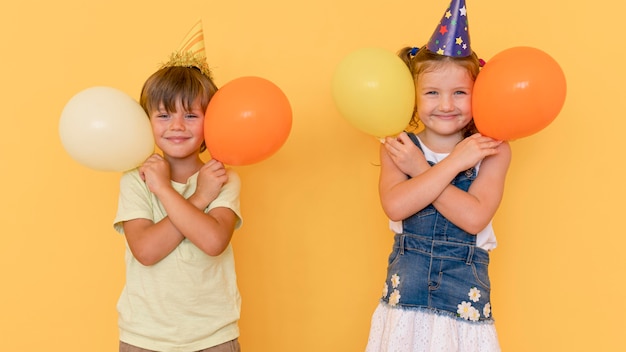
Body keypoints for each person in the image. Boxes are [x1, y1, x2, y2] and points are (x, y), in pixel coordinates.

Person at [365, 1, 511, 351]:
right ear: (413, 96)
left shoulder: (492, 149)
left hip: (463, 304)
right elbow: (396, 205)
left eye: (460, 93)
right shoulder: (399, 146)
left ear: (479, 94)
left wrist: (422, 170)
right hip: (406, 305)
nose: (446, 105)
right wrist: (446, 164)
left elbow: (474, 217)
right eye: (432, 93)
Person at [113, 21, 243, 352]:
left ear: (211, 120)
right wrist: (197, 198)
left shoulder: (221, 177)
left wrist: (171, 192)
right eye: (164, 115)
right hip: (144, 337)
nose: (176, 127)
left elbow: (213, 241)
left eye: (190, 116)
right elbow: (146, 251)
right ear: (146, 121)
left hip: (213, 335)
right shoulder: (136, 180)